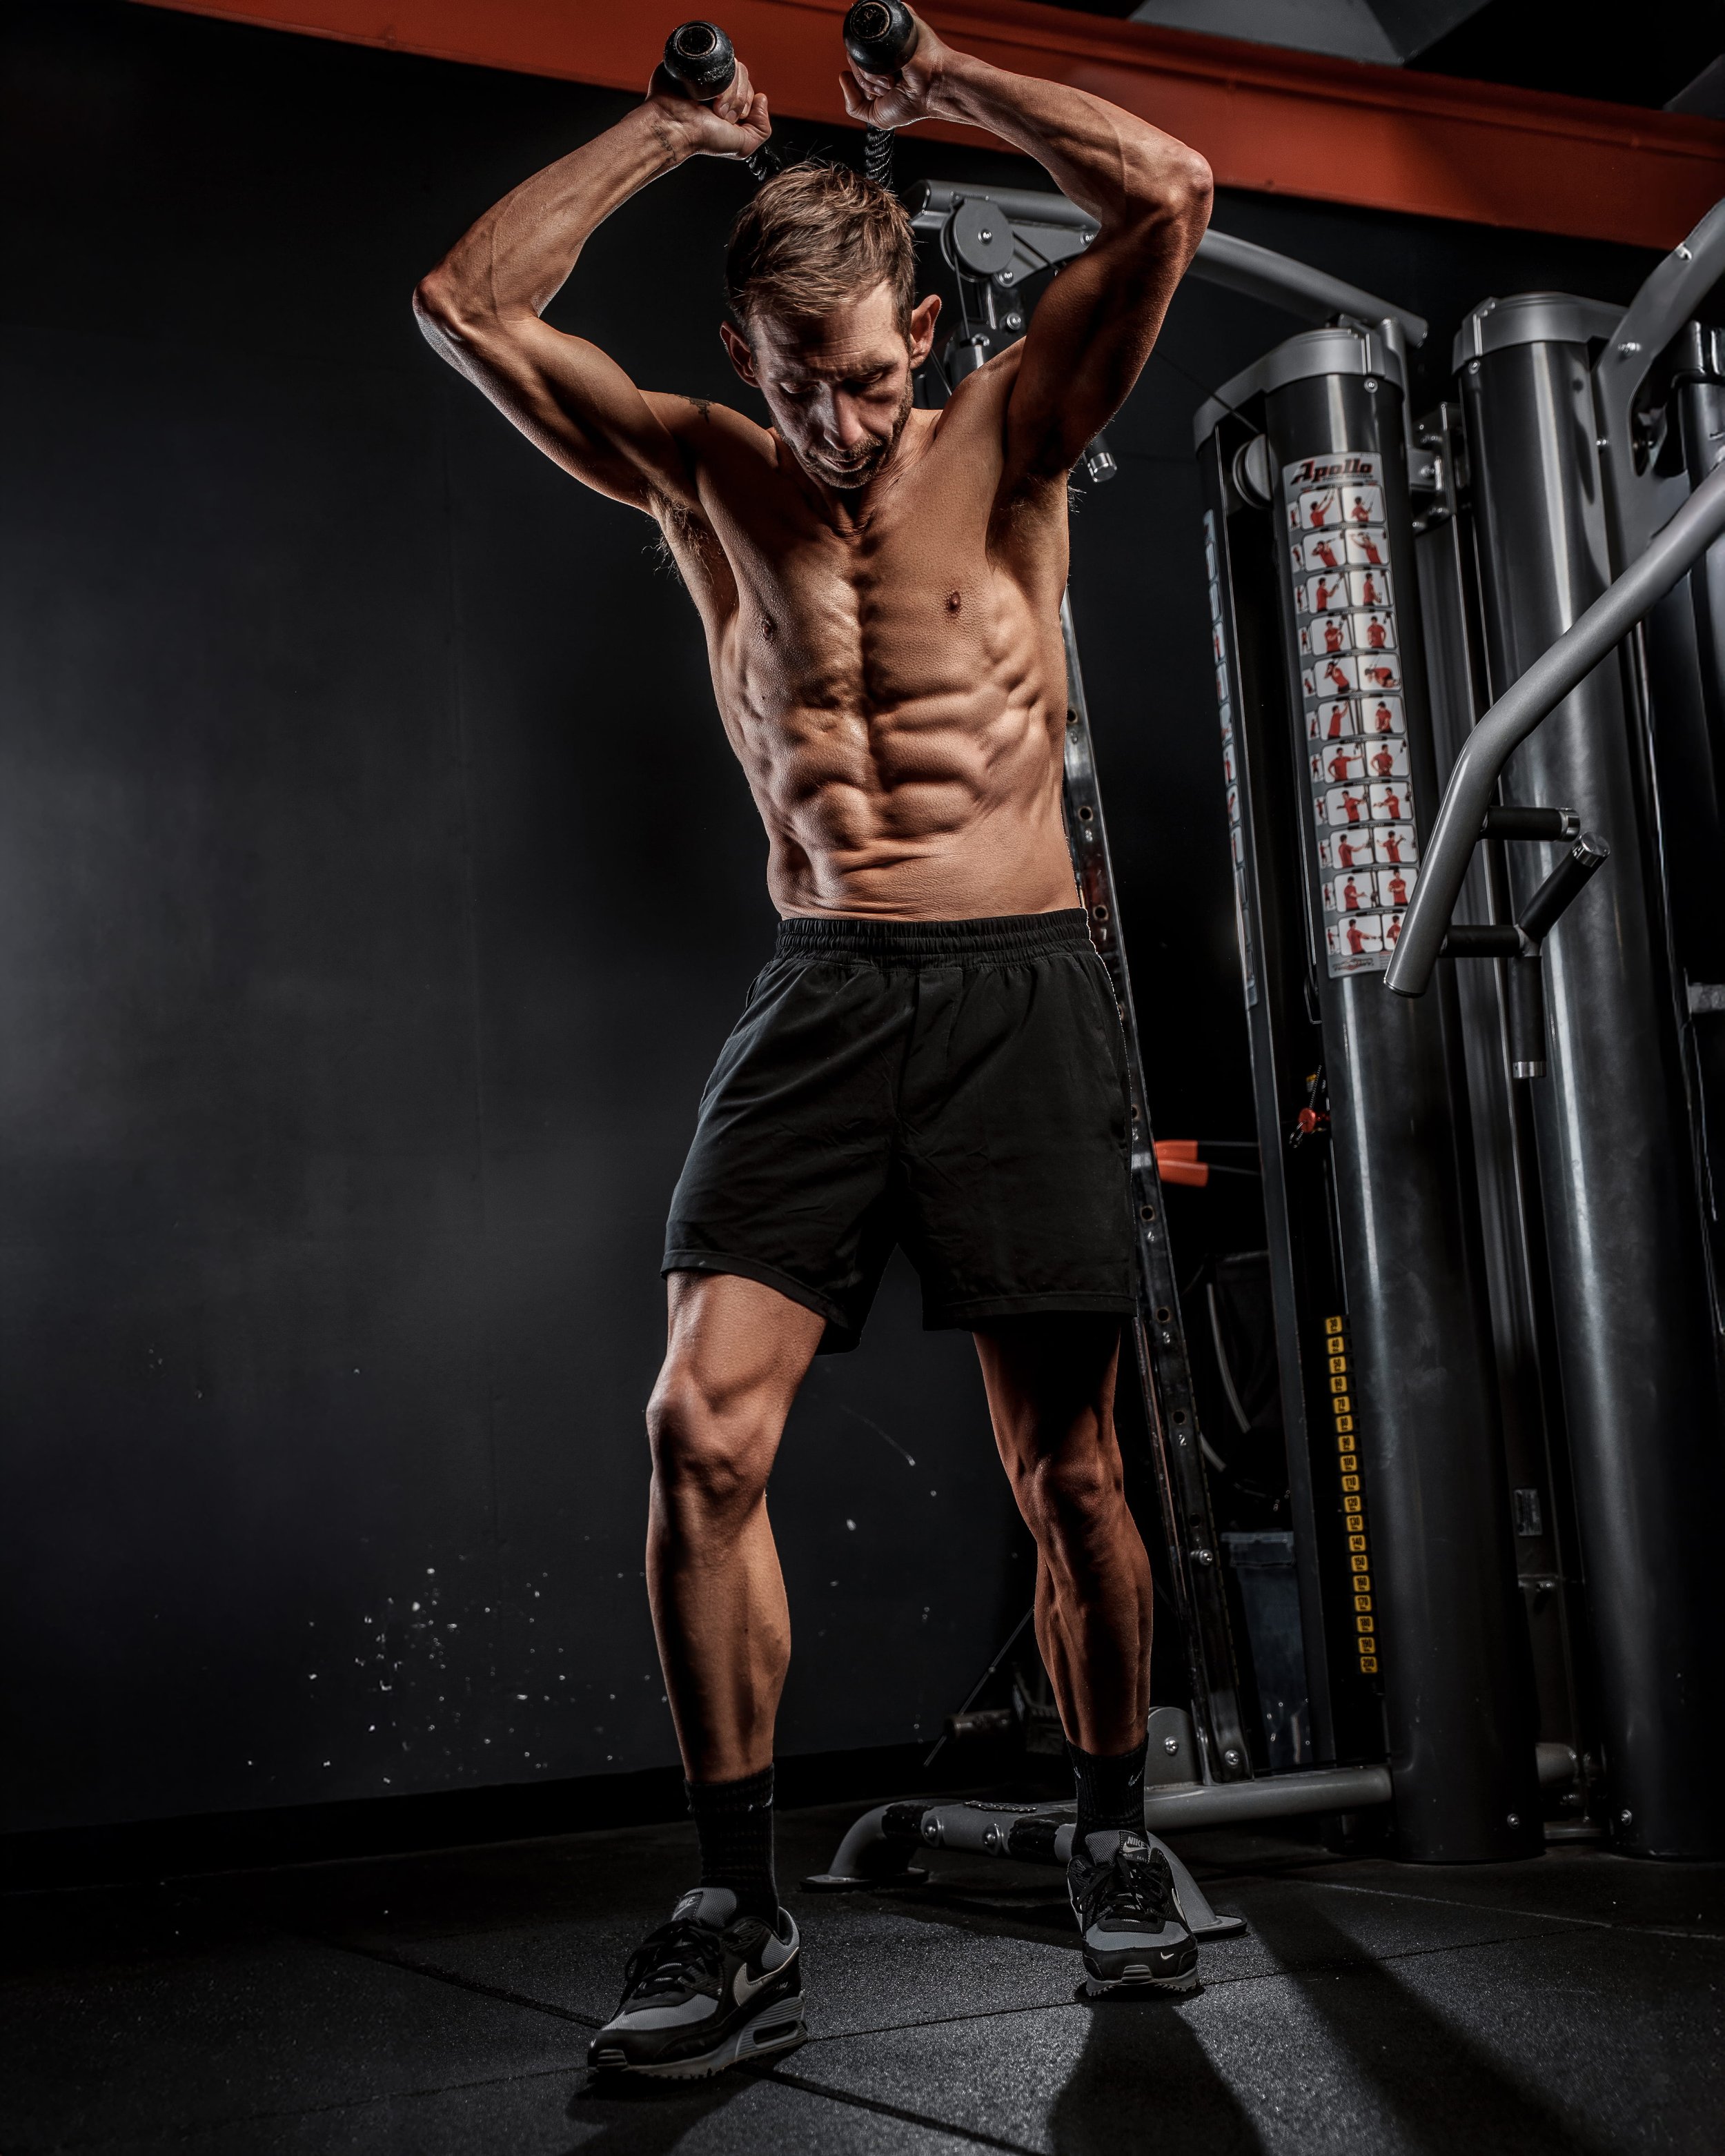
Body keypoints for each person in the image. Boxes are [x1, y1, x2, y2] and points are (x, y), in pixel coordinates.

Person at [413, 8, 1211, 2079]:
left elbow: (1173, 190)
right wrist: (666, 138)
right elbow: (464, 301)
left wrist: (942, 83)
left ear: (924, 332)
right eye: (801, 386)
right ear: (747, 366)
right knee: (700, 1433)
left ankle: (1116, 1836)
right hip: (827, 986)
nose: (845, 428)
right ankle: (731, 1900)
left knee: (1075, 1471)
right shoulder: (699, 469)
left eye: (867, 377)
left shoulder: (1016, 426)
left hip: (1023, 977)